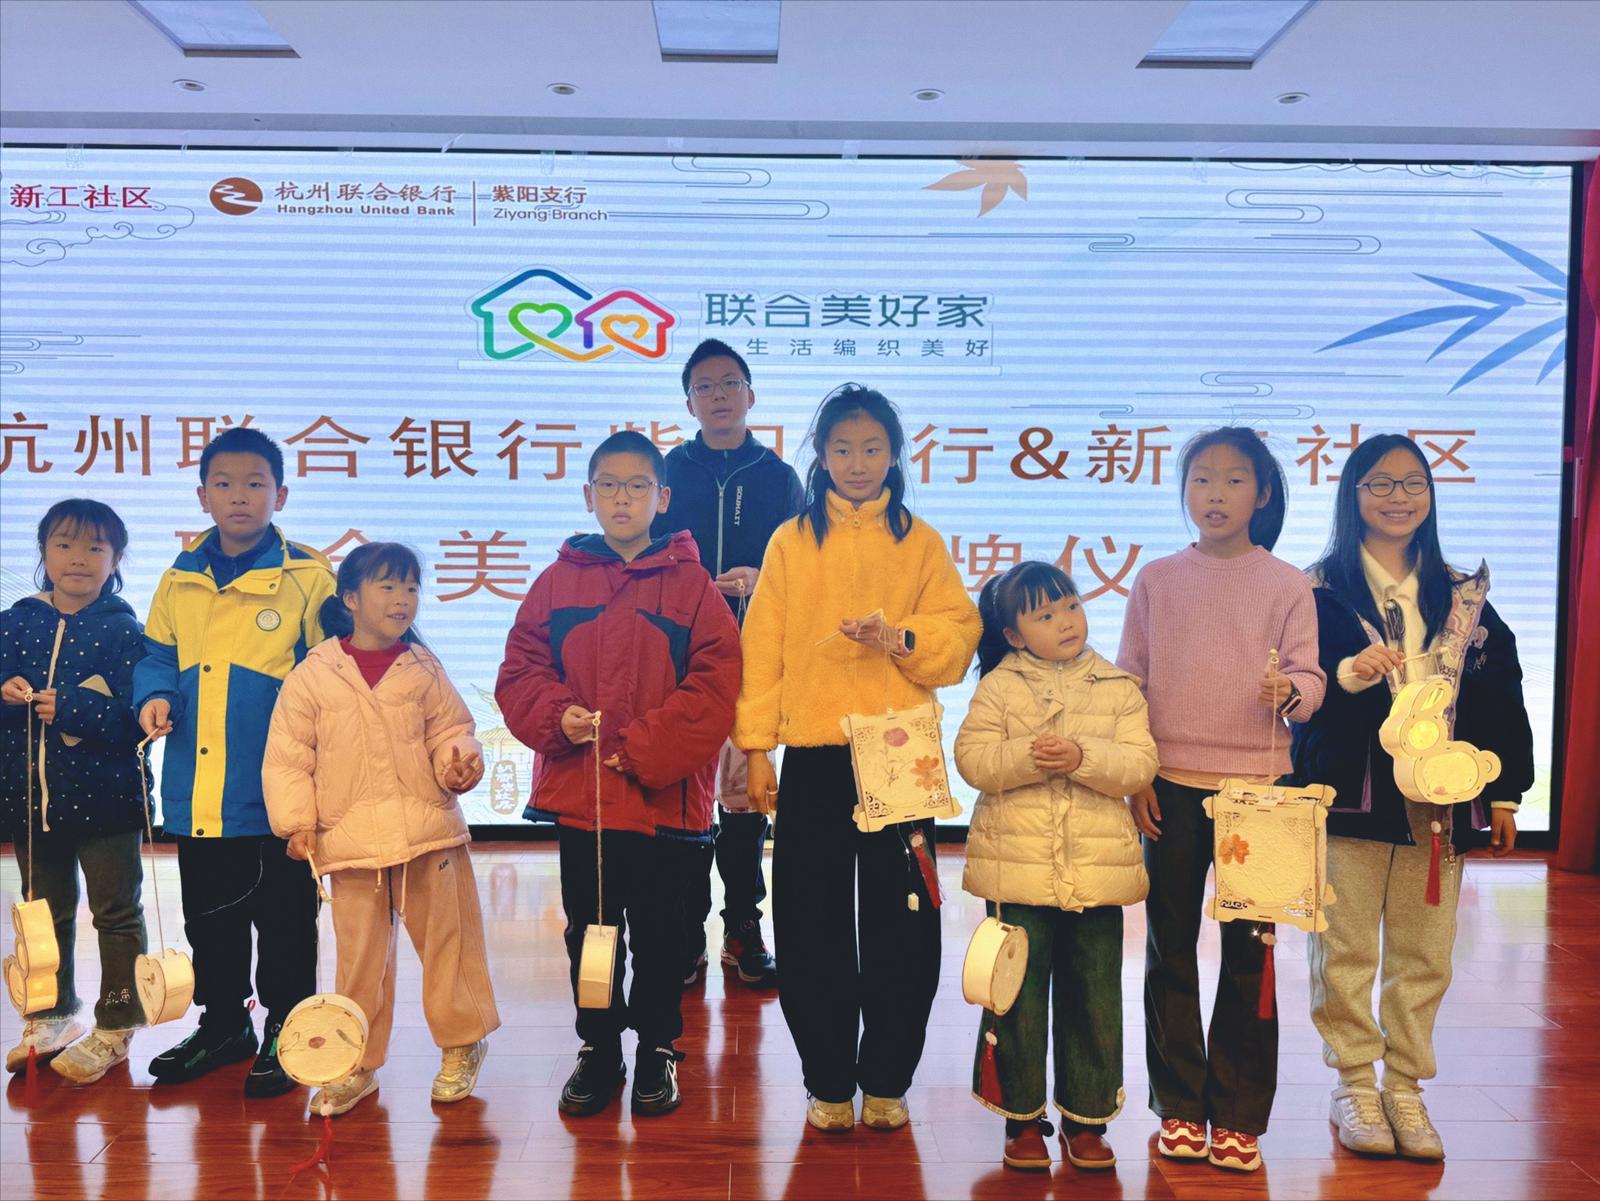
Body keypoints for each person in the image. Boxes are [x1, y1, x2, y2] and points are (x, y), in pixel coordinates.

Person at [734, 384, 981, 1133]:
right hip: (812, 754)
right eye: (842, 448)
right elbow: (761, 650)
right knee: (808, 919)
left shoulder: (921, 542)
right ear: (821, 455)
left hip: (899, 754)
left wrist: (899, 638)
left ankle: (887, 1076)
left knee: (905, 922)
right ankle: (829, 1078)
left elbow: (958, 636)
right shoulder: (790, 541)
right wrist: (756, 748)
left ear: (895, 454)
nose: (858, 462)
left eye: (873, 447)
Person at [1293, 434, 1534, 1161]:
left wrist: (1505, 794)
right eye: (1380, 483)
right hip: (1351, 795)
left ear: (1430, 495)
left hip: (1441, 805)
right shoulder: (1313, 590)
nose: (1398, 498)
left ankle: (1405, 1086)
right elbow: (1296, 689)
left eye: (1413, 483)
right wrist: (1349, 672)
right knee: (1344, 949)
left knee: (1425, 954)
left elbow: (1501, 691)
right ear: (1352, 494)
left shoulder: (1464, 595)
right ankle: (1354, 1085)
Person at [496, 431, 742, 1119]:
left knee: (666, 937)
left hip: (669, 804)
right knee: (591, 934)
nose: (622, 498)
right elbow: (520, 671)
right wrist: (558, 715)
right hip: (587, 803)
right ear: (589, 495)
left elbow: (716, 686)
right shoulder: (556, 582)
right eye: (609, 485)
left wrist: (639, 747)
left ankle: (658, 1047)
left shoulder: (692, 586)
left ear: (662, 498)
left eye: (637, 486)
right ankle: (599, 1048)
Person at [1118, 427, 1325, 1172]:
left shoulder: (1287, 583)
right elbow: (1129, 681)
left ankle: (1238, 1114)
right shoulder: (1157, 579)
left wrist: (1290, 690)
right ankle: (1179, 1103)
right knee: (1169, 947)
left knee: (1251, 955)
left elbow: (1312, 682)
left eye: (1234, 480)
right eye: (1201, 479)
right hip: (1171, 785)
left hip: (1260, 791)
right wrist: (1137, 772)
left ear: (1262, 494)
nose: (1215, 494)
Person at [263, 542, 501, 1115]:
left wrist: (460, 763)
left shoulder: (423, 668)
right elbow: (289, 757)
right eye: (388, 586)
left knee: (450, 946)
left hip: (429, 834)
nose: (402, 599)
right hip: (349, 842)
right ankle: (357, 1063)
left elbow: (453, 730)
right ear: (350, 598)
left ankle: (462, 1042)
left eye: (411, 588)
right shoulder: (313, 675)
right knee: (359, 960)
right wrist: (296, 822)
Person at [132, 426, 335, 1096]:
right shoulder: (178, 578)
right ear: (202, 496)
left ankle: (286, 1027)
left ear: (281, 494)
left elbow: (331, 671)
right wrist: (155, 695)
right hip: (199, 789)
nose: (239, 496)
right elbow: (157, 655)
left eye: (255, 484)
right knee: (209, 917)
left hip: (278, 793)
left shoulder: (309, 577)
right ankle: (223, 1024)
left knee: (285, 921)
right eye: (223, 483)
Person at [955, 562, 1157, 1172]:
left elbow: (1139, 764)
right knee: (1013, 996)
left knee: (1094, 996)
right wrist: (1031, 756)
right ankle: (1020, 1120)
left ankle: (1086, 1121)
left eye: (1071, 606)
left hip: (1097, 876)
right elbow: (972, 760)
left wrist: (1081, 756)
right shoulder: (998, 687)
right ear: (1014, 635)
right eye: (1045, 615)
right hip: (1016, 874)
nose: (1066, 621)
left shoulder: (1119, 686)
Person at [653, 337, 803, 989]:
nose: (718, 395)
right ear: (689, 402)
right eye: (705, 386)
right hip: (677, 662)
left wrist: (764, 578)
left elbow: (802, 568)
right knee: (683, 801)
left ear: (751, 394)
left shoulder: (778, 477)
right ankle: (684, 933)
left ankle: (743, 927)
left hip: (751, 658)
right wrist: (691, 583)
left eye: (730, 383)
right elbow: (643, 557)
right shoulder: (667, 473)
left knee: (744, 801)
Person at [2, 499, 150, 1084]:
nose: (78, 558)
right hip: (29, 801)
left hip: (108, 803)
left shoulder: (125, 631)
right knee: (43, 914)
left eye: (95, 547)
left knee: (116, 912)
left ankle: (117, 1022)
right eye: (64, 544)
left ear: (116, 558)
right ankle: (51, 1014)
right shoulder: (16, 622)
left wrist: (74, 708)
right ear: (43, 551)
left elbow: (138, 721)